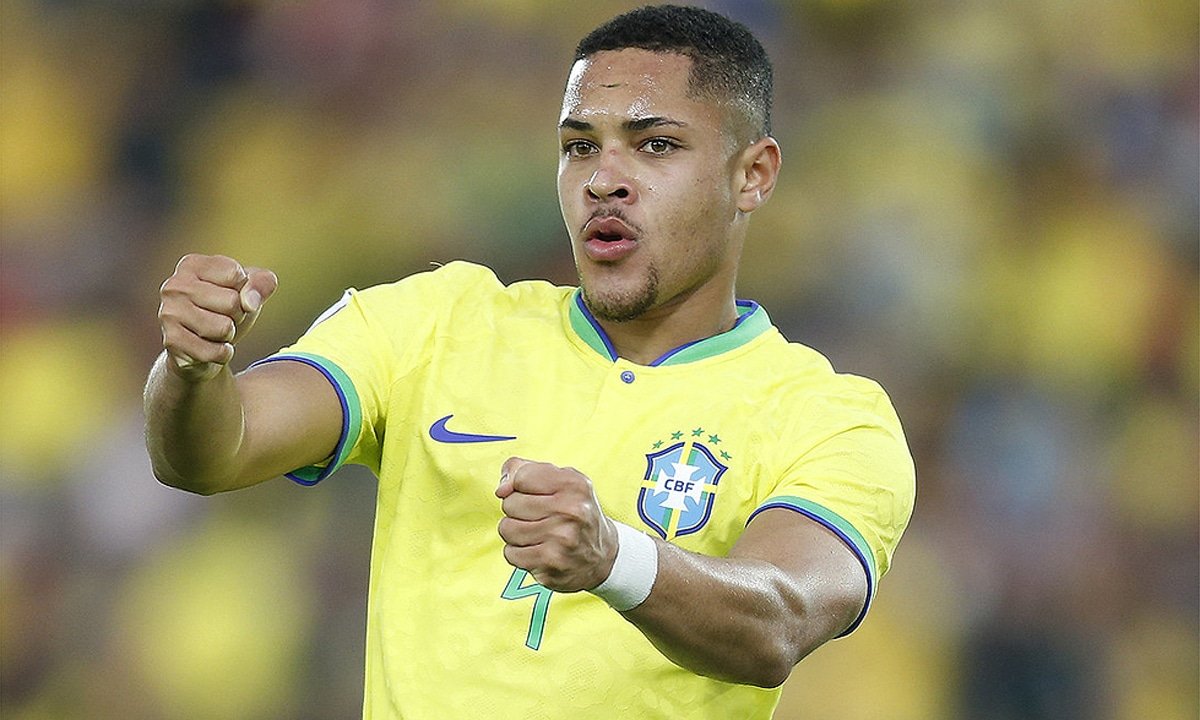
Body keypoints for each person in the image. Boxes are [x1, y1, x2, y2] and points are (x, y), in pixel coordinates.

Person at [144, 5, 914, 718]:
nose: (603, 180)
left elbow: (778, 623)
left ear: (753, 175)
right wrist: (192, 369)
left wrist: (615, 559)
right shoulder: (436, 323)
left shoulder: (832, 419)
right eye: (580, 146)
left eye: (655, 144)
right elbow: (214, 453)